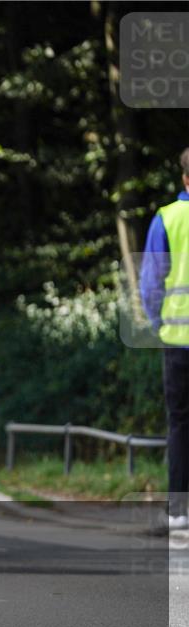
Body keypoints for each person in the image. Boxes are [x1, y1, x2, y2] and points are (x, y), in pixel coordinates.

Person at [140, 148, 189, 531]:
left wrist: (159, 323)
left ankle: (178, 511)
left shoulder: (168, 218)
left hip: (179, 341)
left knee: (180, 425)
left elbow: (152, 282)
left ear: (185, 179)